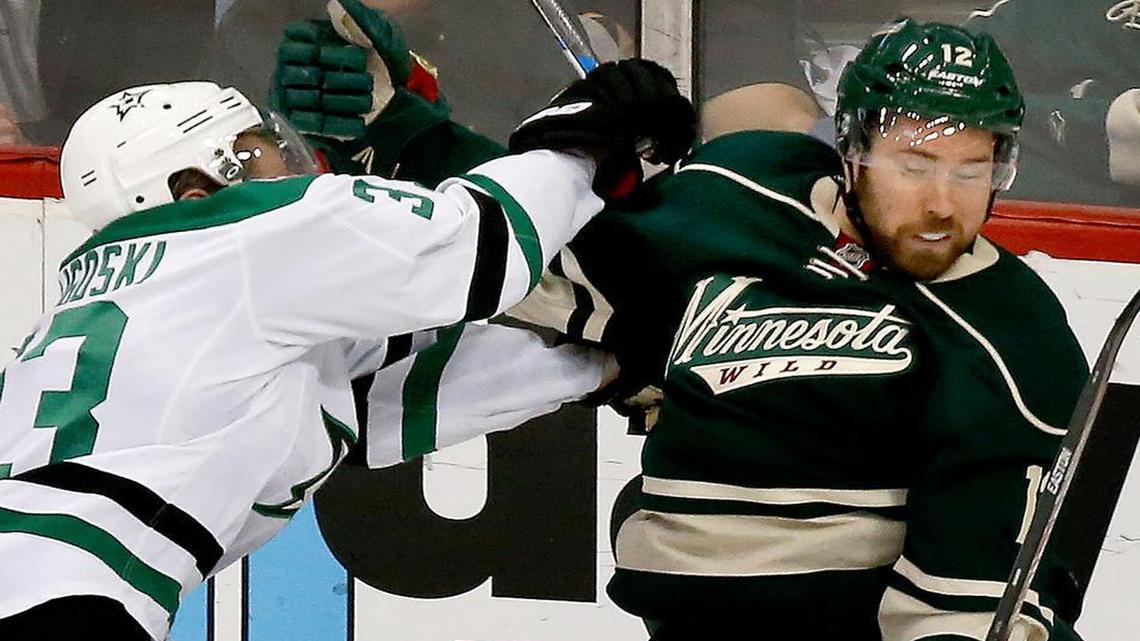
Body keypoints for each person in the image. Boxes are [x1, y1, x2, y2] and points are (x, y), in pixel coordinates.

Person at [273, 9, 1092, 640]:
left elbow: (963, 594)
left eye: (972, 168)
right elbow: (563, 260)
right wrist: (405, 134)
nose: (945, 203)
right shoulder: (753, 191)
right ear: (851, 150)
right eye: (914, 166)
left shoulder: (1007, 325)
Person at [0, 47, 695, 640]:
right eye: (256, 150)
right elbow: (474, 242)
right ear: (194, 187)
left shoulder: (117, 299)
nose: (293, 165)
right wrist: (581, 140)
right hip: (62, 600)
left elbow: (376, 401)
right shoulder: (240, 237)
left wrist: (599, 362)